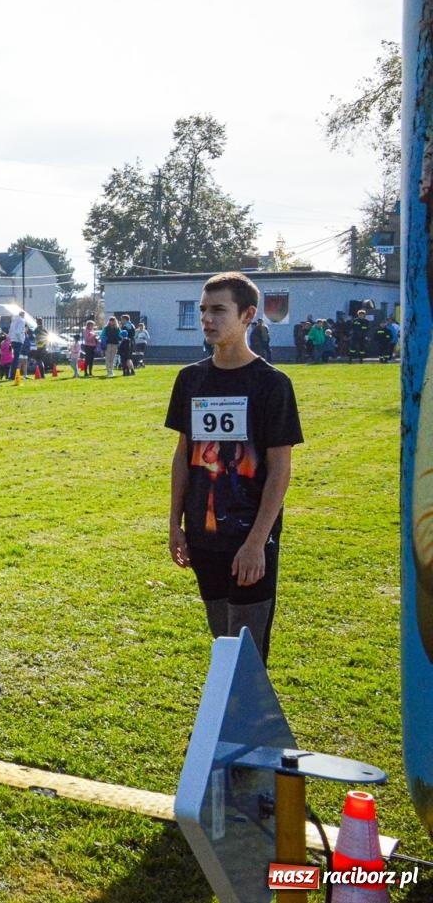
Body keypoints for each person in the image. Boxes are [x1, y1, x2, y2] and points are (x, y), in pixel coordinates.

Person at [166, 272, 302, 662]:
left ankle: (247, 722)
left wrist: (257, 542)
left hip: (248, 536)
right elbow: (183, 453)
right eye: (203, 309)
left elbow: (280, 469)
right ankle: (227, 722)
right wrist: (175, 523)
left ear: (248, 315)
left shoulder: (272, 384)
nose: (207, 319)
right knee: (222, 641)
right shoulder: (189, 379)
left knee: (247, 650)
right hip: (203, 534)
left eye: (219, 310)